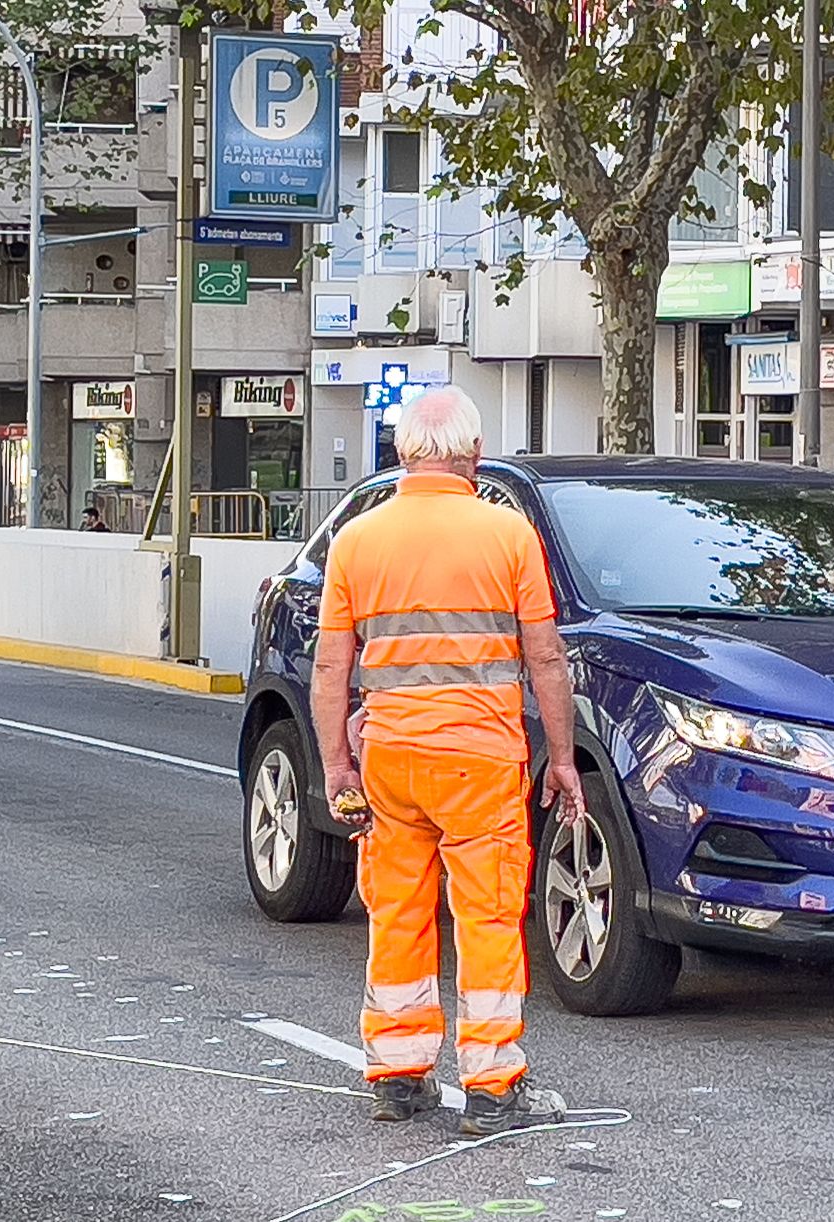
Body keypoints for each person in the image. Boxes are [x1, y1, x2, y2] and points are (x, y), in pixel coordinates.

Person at [312, 384, 584, 1136]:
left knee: (396, 912)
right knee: (488, 916)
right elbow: (546, 658)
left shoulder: (356, 540)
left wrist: (337, 764)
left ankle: (399, 1077)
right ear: (472, 453)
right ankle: (493, 1086)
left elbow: (332, 668)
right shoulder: (506, 534)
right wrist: (560, 758)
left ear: (401, 452)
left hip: (389, 757)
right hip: (480, 758)